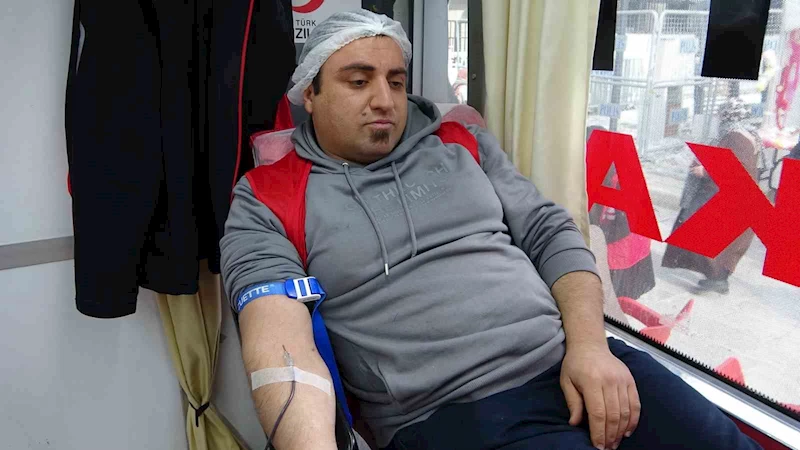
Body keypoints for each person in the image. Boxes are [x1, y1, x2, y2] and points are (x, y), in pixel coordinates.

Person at [221, 10, 760, 450]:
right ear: (310, 93)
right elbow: (277, 339)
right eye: (358, 81)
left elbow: (550, 232)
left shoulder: (462, 144)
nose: (385, 100)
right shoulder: (269, 196)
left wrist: (592, 346)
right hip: (452, 415)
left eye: (396, 81)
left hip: (572, 360)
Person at [662, 98, 762, 295]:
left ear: (728, 116)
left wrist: (705, 171)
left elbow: (735, 168)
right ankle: (717, 278)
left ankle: (717, 279)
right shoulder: (743, 134)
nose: (718, 118)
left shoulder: (737, 137)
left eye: (721, 114)